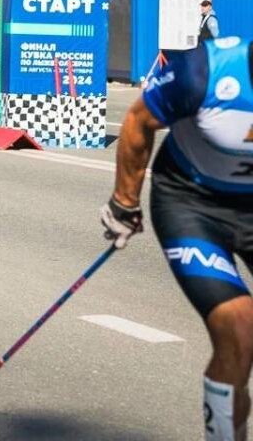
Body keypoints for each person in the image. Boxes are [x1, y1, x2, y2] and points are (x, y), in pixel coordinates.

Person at [100, 36, 253, 441]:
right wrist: (124, 203)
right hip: (192, 205)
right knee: (238, 329)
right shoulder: (203, 70)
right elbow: (136, 122)